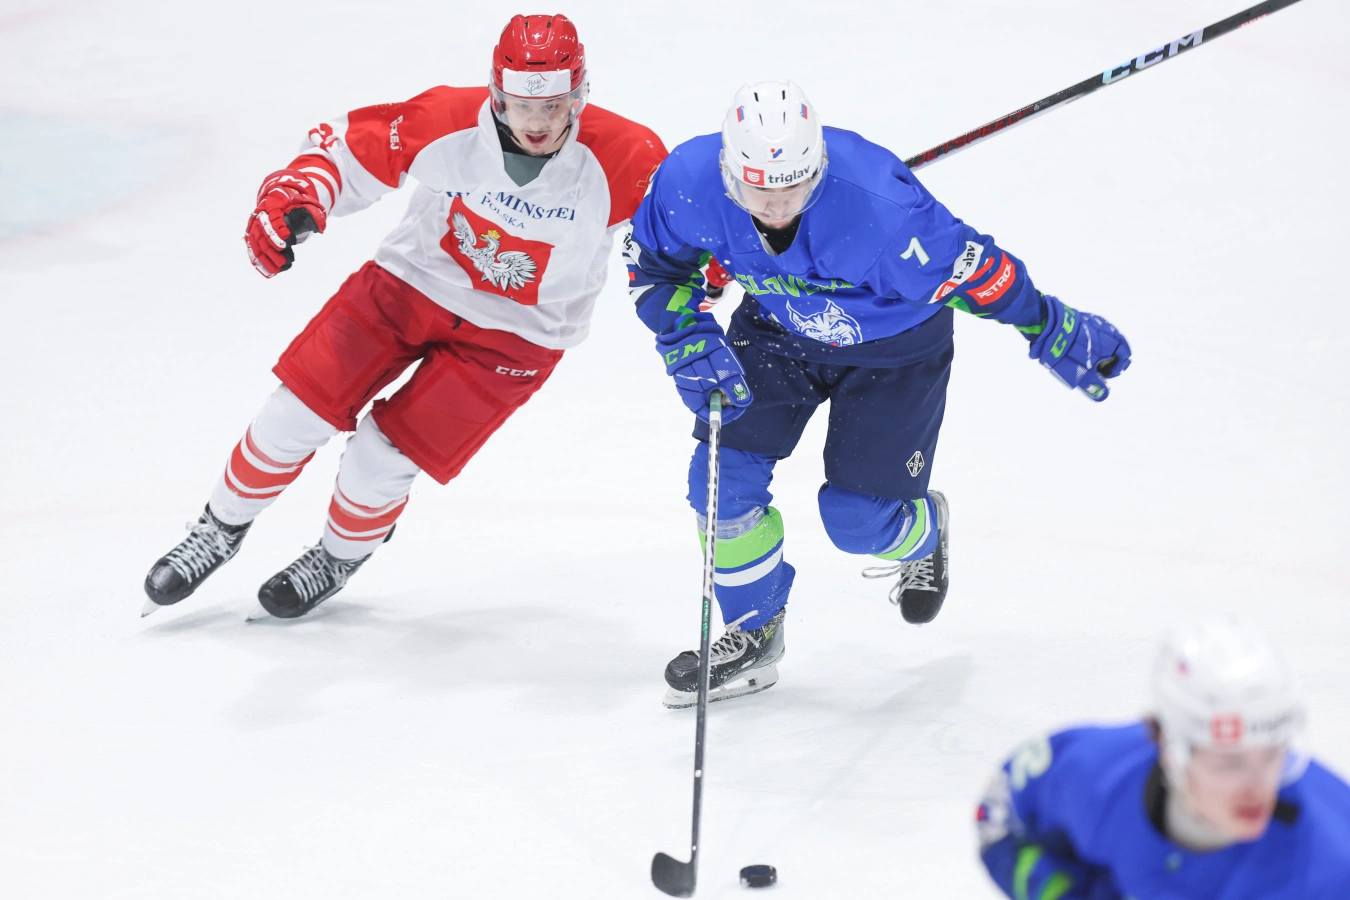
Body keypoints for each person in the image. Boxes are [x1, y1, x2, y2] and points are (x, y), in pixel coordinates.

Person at [624, 81, 1131, 707]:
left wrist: (1048, 322)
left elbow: (980, 273)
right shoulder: (689, 181)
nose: (776, 207)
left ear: (819, 167)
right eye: (758, 190)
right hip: (777, 330)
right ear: (729, 174)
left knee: (858, 522)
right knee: (719, 484)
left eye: (794, 188)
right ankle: (753, 630)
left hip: (894, 352)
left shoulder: (886, 213)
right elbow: (655, 265)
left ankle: (925, 531)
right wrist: (683, 335)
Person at [143, 14, 665, 619]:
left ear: (579, 95)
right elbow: (349, 150)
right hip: (408, 285)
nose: (537, 123)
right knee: (295, 411)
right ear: (497, 95)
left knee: (381, 458)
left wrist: (711, 269)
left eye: (552, 105)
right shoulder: (450, 120)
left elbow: (684, 230)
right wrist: (297, 194)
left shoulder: (628, 157)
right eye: (522, 105)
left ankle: (338, 557)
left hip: (519, 336)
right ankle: (218, 528)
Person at [976, 618, 1350, 899]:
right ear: (1171, 750)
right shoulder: (1091, 772)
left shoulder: (1334, 860)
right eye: (1231, 763)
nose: (1260, 785)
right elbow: (997, 818)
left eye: (1273, 755)